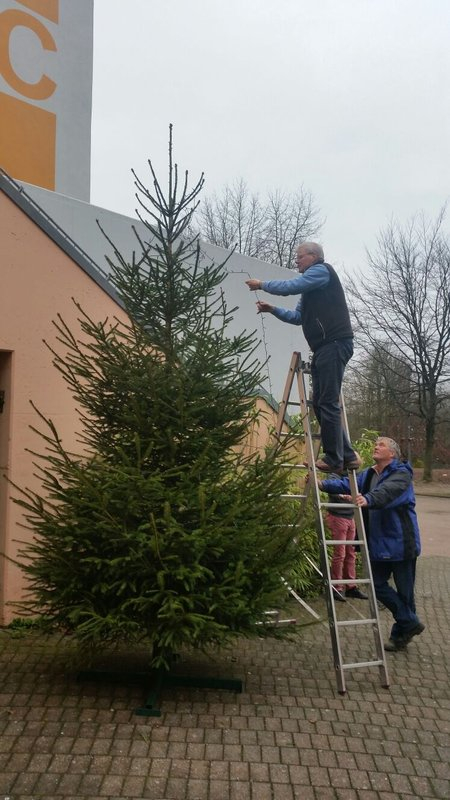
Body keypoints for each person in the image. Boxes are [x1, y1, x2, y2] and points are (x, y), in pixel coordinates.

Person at [245, 242, 360, 473]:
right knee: (319, 402)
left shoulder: (321, 270)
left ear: (314, 256)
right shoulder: (310, 291)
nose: (296, 260)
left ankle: (334, 459)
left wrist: (263, 285)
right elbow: (298, 317)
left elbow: (291, 286)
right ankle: (347, 455)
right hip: (322, 348)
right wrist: (273, 310)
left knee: (327, 402)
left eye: (300, 256)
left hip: (334, 344)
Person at [319, 437, 424, 652]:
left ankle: (400, 636)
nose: (376, 446)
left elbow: (389, 492)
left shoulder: (401, 474)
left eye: (382, 444)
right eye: (376, 443)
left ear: (392, 454)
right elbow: (347, 484)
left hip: (401, 544)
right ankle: (409, 622)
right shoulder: (368, 474)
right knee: (376, 585)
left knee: (405, 593)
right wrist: (322, 484)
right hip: (377, 544)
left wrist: (368, 499)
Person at [326, 475, 368, 602]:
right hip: (338, 516)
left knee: (351, 552)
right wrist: (346, 496)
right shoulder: (334, 474)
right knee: (340, 553)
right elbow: (332, 491)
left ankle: (351, 586)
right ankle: (336, 588)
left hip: (350, 516)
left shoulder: (352, 474)